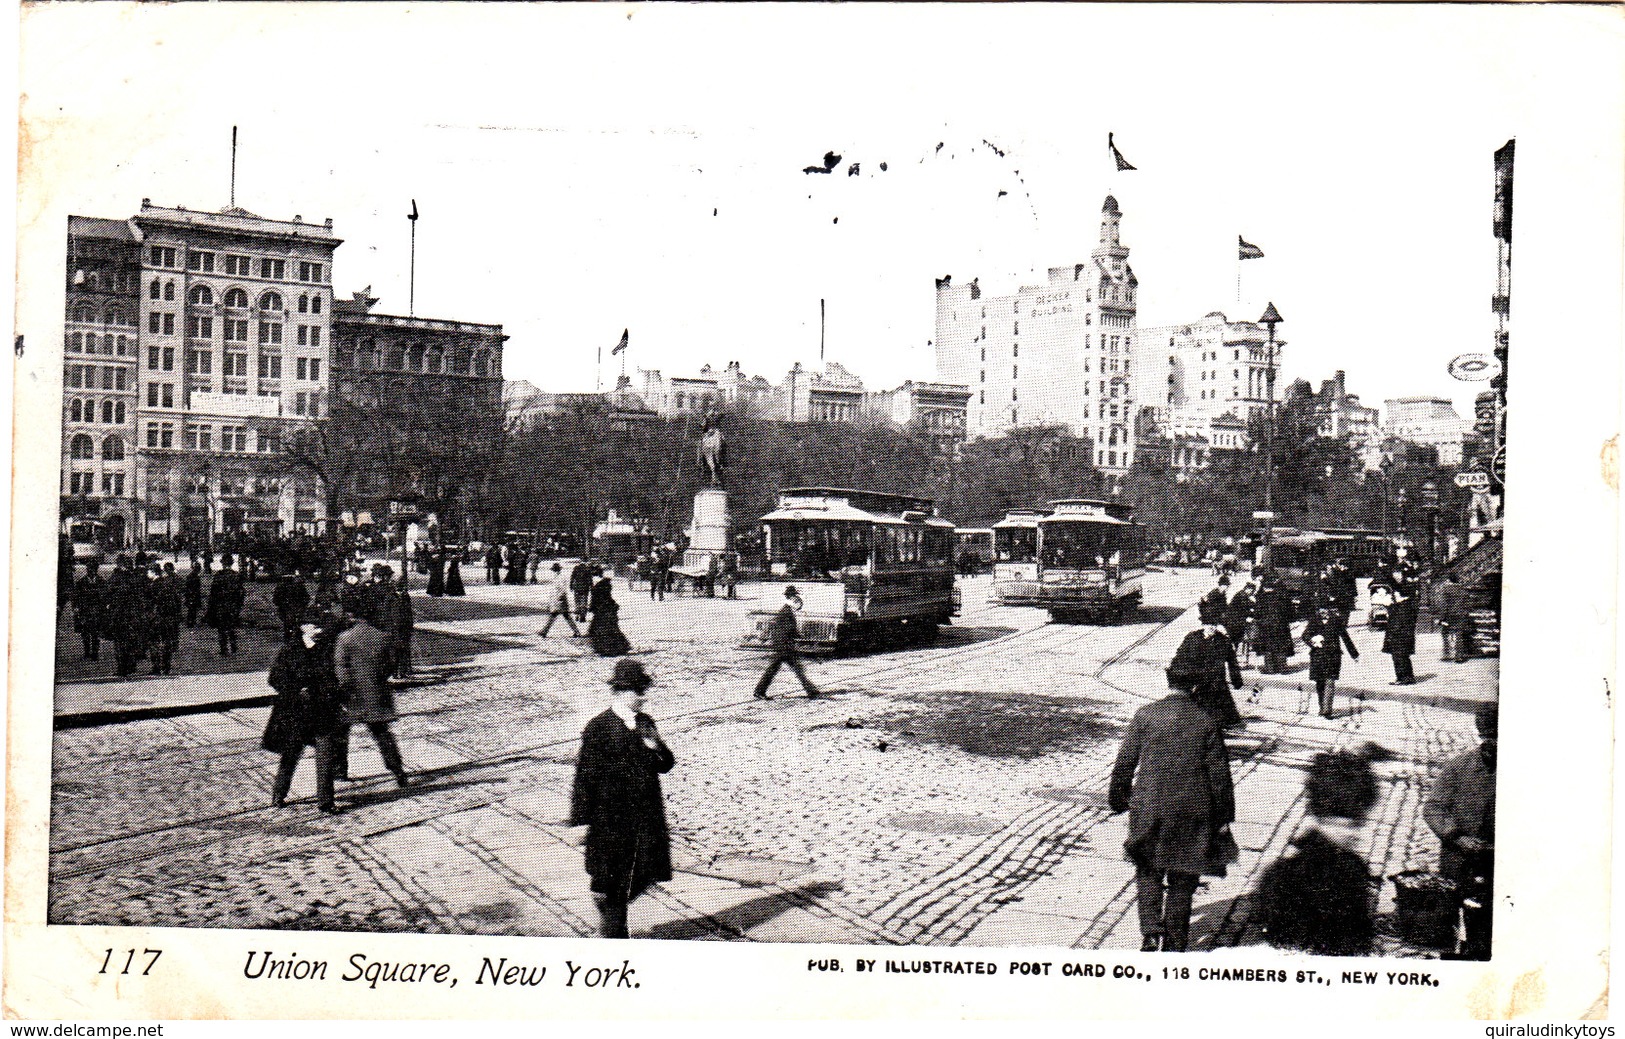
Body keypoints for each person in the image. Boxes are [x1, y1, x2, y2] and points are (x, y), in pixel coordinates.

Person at [1108, 667, 1236, 952]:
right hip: (1193, 809)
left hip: (1149, 806)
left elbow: (1125, 761)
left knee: (1149, 869)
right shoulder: (1206, 721)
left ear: (1168, 683)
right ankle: (1175, 942)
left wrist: (1118, 798)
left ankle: (1151, 932)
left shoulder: (1146, 715)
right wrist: (1224, 816)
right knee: (1184, 875)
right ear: (1193, 688)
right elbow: (1220, 775)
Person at [569, 659, 676, 938]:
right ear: (619, 692)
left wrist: (655, 745)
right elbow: (585, 775)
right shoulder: (599, 727)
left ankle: (606, 905)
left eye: (644, 691)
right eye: (637, 691)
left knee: (645, 874)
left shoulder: (645, 723)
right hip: (612, 818)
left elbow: (666, 764)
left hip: (645, 816)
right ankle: (616, 938)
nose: (643, 697)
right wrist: (582, 819)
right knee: (618, 879)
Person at [1252, 749, 1381, 956]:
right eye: (1349, 823)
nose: (1355, 833)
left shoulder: (1352, 867)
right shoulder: (1289, 877)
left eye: (1360, 821)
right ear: (1322, 818)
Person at [1424, 702, 1497, 960]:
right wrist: (1457, 837)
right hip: (1460, 860)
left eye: (1498, 738)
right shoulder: (1458, 767)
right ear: (1480, 736)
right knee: (1454, 923)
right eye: (1489, 739)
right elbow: (1433, 808)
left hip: (1499, 864)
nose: (1494, 746)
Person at [263, 609, 344, 814]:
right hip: (295, 712)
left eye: (321, 627)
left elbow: (336, 679)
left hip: (322, 711)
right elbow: (274, 678)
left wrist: (327, 692)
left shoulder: (329, 649)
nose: (319, 630)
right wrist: (296, 690)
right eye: (315, 626)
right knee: (290, 755)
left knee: (325, 756)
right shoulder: (289, 650)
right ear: (303, 628)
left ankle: (326, 801)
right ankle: (279, 794)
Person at [332, 599, 411, 789]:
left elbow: (341, 667)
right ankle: (398, 770)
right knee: (382, 732)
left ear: (354, 616)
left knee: (341, 732)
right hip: (376, 691)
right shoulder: (382, 637)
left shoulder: (345, 638)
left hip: (352, 694)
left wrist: (345, 687)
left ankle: (340, 770)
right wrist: (378, 678)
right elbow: (391, 663)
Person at [1168, 598, 1244, 729]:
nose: (1211, 627)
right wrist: (1175, 674)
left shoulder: (1223, 641)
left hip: (1216, 684)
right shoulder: (1192, 638)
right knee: (1190, 716)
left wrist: (1236, 680)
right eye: (1208, 624)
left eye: (1214, 625)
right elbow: (1180, 656)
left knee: (1220, 719)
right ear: (1203, 625)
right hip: (1194, 681)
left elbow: (1232, 663)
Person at [753, 586, 820, 699]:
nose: (797, 599)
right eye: (795, 596)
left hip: (783, 644)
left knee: (794, 669)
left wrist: (799, 636)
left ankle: (811, 690)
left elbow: (787, 629)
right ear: (791, 597)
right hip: (783, 646)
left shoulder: (787, 610)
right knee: (789, 669)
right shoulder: (786, 611)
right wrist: (797, 637)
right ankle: (759, 691)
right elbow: (787, 630)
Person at [1304, 605, 1360, 718]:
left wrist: (1354, 654)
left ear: (1330, 610)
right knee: (1320, 683)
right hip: (1318, 656)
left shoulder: (1337, 620)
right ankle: (1322, 707)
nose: (1323, 612)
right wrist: (1313, 642)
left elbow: (1345, 637)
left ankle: (1327, 710)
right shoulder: (1314, 620)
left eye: (1325, 609)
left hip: (1333, 656)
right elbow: (1304, 635)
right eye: (1321, 610)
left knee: (1330, 682)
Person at [1253, 577, 1295, 675]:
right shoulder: (1282, 597)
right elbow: (1290, 611)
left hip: (1266, 626)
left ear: (1264, 587)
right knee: (1281, 646)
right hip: (1281, 625)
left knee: (1268, 647)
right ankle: (1283, 668)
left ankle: (1270, 668)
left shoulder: (1262, 598)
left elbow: (1257, 613)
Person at [1383, 571, 1419, 685]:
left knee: (1400, 656)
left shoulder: (1404, 606)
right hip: (1400, 633)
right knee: (1400, 656)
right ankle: (1404, 677)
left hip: (1400, 634)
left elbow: (1399, 621)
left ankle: (1404, 677)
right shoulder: (1400, 605)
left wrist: (1392, 632)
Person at [147, 564, 183, 676]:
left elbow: (149, 603)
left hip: (157, 618)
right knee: (167, 642)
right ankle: (166, 666)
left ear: (153, 572)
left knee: (154, 642)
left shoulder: (152, 586)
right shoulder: (168, 583)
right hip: (170, 618)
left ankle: (157, 666)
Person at [205, 556, 245, 656]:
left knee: (222, 628)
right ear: (232, 563)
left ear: (222, 563)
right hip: (233, 606)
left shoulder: (219, 575)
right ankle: (234, 647)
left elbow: (213, 593)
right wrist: (239, 605)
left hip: (221, 606)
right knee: (232, 626)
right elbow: (242, 592)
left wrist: (211, 607)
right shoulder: (236, 575)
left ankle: (224, 649)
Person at [587, 570, 631, 657]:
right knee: (609, 629)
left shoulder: (599, 585)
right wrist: (612, 604)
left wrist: (593, 607)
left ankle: (604, 648)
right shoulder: (605, 585)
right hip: (604, 610)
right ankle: (615, 648)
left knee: (601, 629)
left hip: (601, 610)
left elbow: (600, 598)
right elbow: (606, 598)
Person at [1436, 574, 1476, 663]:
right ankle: (1459, 657)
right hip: (1461, 614)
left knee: (1445, 633)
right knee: (1459, 635)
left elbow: (1444, 605)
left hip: (1449, 615)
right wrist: (1465, 612)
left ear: (1449, 580)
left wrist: (1441, 618)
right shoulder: (1462, 589)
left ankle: (1447, 654)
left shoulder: (1446, 589)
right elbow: (1468, 603)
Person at [72, 564, 107, 661]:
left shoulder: (101, 582)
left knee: (95, 633)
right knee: (85, 632)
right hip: (85, 611)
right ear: (87, 570)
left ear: (96, 570)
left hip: (97, 611)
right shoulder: (81, 583)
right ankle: (87, 652)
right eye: (89, 569)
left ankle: (95, 653)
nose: (91, 572)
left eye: (93, 569)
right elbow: (75, 597)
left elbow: (105, 596)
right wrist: (76, 608)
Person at [539, 562, 583, 638]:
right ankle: (544, 631)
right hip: (557, 599)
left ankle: (544, 631)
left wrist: (559, 597)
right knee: (560, 615)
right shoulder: (556, 577)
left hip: (560, 600)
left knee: (560, 615)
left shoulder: (561, 577)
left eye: (554, 570)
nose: (554, 571)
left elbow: (563, 589)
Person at [1225, 580, 1257, 667]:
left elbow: (1249, 604)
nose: (1252, 593)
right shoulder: (1242, 596)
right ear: (1248, 589)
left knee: (1235, 641)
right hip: (1234, 622)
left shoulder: (1242, 594)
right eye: (1252, 591)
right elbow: (1245, 608)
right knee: (1235, 641)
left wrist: (1256, 607)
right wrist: (1254, 614)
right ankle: (1234, 661)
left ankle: (1233, 661)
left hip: (1234, 622)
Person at [272, 572, 310, 643]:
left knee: (289, 623)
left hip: (288, 608)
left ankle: (289, 637)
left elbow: (275, 599)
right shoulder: (299, 586)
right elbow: (306, 598)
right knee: (295, 623)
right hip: (294, 608)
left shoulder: (280, 587)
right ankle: (295, 637)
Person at [183, 563, 204, 627]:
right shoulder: (194, 577)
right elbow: (195, 588)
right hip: (193, 595)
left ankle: (191, 622)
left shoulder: (191, 576)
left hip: (191, 595)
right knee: (192, 609)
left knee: (192, 609)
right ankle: (190, 622)